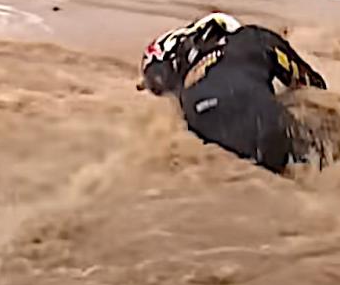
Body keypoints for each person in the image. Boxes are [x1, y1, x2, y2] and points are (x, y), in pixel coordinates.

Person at [138, 12, 327, 173]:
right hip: (269, 124)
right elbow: (314, 87)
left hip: (220, 148)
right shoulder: (250, 39)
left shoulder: (186, 102)